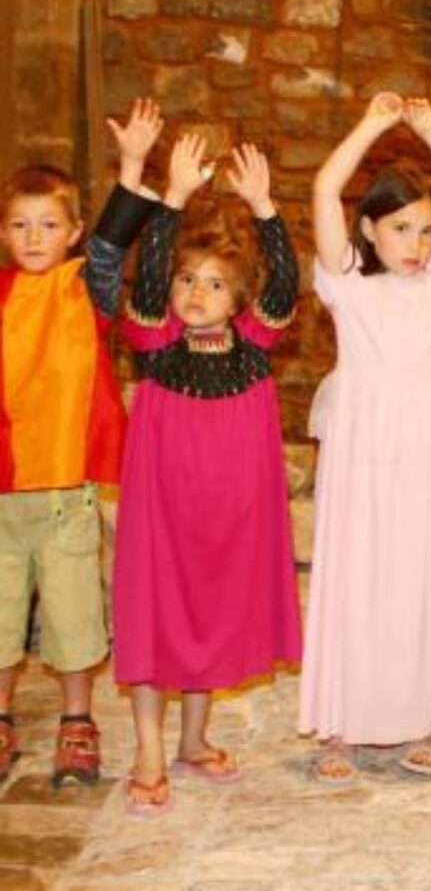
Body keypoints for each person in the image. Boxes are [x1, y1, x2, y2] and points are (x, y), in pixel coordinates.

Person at [299, 90, 431, 784]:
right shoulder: (346, 281)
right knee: (360, 578)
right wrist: (374, 125)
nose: (419, 245)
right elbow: (322, 186)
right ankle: (341, 726)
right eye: (403, 229)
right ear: (370, 229)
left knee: (424, 576)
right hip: (366, 447)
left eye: (429, 230)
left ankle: (420, 715)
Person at [113, 138, 303, 814]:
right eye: (187, 280)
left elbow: (286, 285)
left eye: (215, 284)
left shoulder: (253, 347)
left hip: (229, 519)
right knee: (156, 620)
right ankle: (148, 749)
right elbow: (148, 266)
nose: (196, 292)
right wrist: (173, 200)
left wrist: (265, 209)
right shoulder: (155, 344)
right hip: (161, 515)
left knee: (210, 619)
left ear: (239, 298)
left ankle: (192, 740)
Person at [0, 99, 163, 787]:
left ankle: (76, 720)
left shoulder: (83, 291)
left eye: (49, 225)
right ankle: (3, 717)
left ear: (70, 234)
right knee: (0, 612)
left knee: (73, 614)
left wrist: (131, 166)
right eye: (19, 225)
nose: (34, 236)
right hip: (3, 492)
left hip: (67, 489)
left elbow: (112, 246)